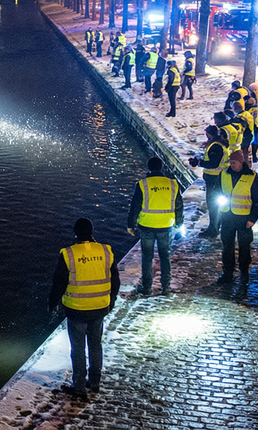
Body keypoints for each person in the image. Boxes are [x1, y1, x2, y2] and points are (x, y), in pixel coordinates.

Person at [48, 217, 120, 396]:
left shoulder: (68, 254)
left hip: (77, 309)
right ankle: (95, 382)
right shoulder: (105, 250)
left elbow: (59, 283)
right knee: (96, 345)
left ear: (76, 234)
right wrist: (111, 300)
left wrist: (52, 303)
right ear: (92, 232)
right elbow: (115, 280)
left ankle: (79, 386)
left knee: (78, 348)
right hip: (100, 308)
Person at [126, 156, 183, 296]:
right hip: (166, 225)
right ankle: (166, 288)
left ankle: (147, 287)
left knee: (147, 257)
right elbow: (179, 206)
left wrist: (130, 225)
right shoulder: (173, 184)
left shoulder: (142, 184)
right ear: (161, 167)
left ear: (149, 168)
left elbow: (135, 206)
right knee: (165, 255)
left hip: (147, 226)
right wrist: (179, 224)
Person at [217, 150, 258, 284]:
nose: (232, 165)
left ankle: (244, 272)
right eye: (231, 163)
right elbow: (218, 191)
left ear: (241, 162)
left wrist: (252, 219)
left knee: (244, 247)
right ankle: (227, 272)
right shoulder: (223, 174)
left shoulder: (252, 177)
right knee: (227, 246)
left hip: (244, 218)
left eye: (234, 163)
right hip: (227, 216)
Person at [189, 125, 229, 237]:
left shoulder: (215, 146)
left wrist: (199, 163)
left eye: (207, 135)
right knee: (216, 205)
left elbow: (213, 163)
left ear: (209, 134)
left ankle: (213, 230)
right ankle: (216, 226)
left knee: (213, 205)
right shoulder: (220, 144)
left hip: (214, 179)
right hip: (219, 178)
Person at [244, 92, 258, 163]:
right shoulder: (257, 108)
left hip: (248, 127)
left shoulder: (246, 109)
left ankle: (247, 156)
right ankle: (254, 156)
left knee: (246, 142)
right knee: (255, 142)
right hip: (256, 126)